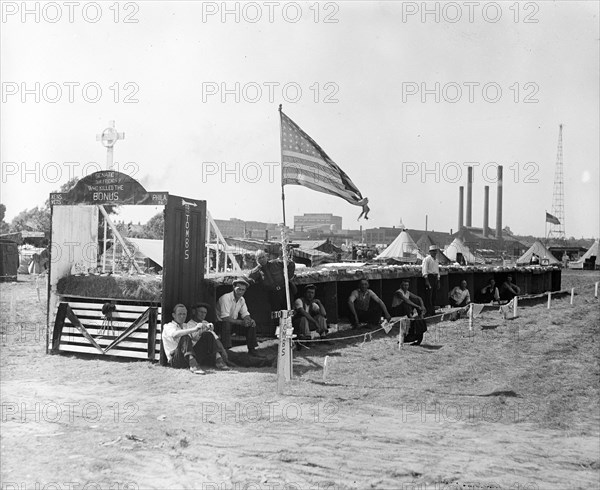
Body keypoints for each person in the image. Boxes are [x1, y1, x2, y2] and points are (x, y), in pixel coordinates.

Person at [216, 278, 262, 357]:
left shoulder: (242, 299)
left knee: (251, 324)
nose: (240, 292)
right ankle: (227, 351)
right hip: (219, 325)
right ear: (233, 287)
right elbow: (225, 318)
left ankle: (252, 350)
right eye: (238, 289)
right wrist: (241, 322)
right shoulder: (225, 298)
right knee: (226, 323)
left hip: (233, 323)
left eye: (243, 290)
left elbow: (245, 314)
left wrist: (249, 320)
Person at [161, 304, 206, 374]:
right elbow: (175, 334)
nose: (182, 316)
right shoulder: (168, 326)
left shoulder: (186, 325)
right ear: (174, 315)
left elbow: (194, 340)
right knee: (185, 336)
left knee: (207, 335)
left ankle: (219, 361)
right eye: (179, 314)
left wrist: (203, 330)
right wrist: (194, 329)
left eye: (184, 314)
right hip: (176, 359)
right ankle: (194, 365)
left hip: (187, 355)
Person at [187, 302, 231, 370]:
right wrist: (204, 330)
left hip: (208, 352)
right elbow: (194, 337)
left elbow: (216, 338)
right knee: (207, 334)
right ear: (194, 312)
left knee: (232, 355)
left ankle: (219, 358)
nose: (203, 315)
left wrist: (223, 350)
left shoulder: (206, 323)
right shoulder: (189, 324)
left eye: (205, 313)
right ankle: (219, 361)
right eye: (201, 312)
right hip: (197, 353)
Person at [390, 279, 427, 345]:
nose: (405, 287)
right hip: (397, 310)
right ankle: (412, 316)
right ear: (401, 285)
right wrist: (417, 306)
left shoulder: (407, 292)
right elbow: (406, 301)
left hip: (405, 309)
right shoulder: (398, 292)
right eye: (403, 285)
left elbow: (419, 298)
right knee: (407, 303)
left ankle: (420, 316)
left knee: (415, 302)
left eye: (406, 285)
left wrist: (422, 305)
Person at [422, 245, 441, 316]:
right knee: (429, 295)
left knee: (434, 295)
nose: (434, 253)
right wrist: (426, 280)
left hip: (435, 278)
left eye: (435, 251)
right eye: (433, 251)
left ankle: (432, 311)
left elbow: (437, 271)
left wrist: (438, 280)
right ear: (430, 252)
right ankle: (428, 311)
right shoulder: (427, 259)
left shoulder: (436, 260)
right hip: (429, 277)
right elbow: (424, 270)